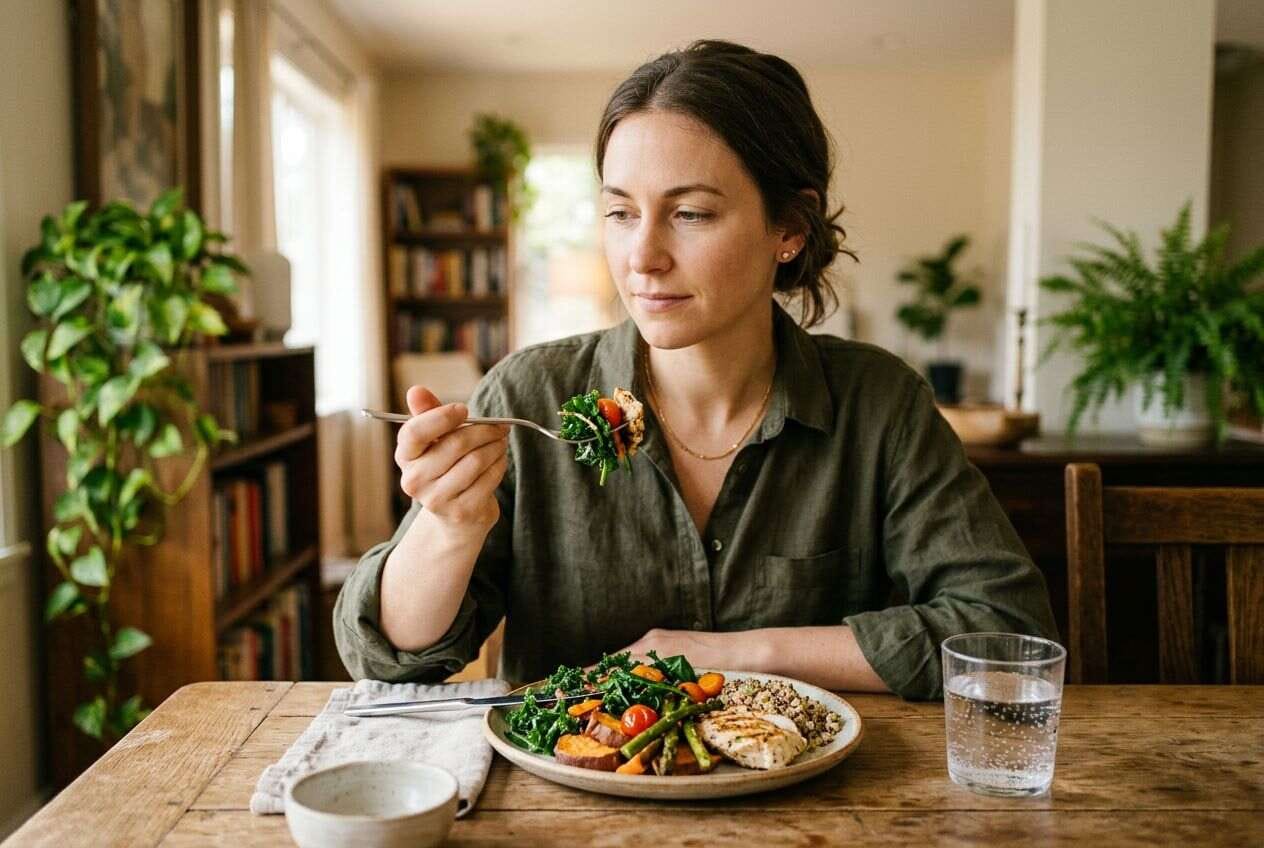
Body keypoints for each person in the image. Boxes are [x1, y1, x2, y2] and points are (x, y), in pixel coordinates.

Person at [335, 40, 1056, 700]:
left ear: (789, 227)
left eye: (691, 215)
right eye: (621, 214)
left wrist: (738, 653)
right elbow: (387, 659)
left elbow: (1004, 632)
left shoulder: (880, 404)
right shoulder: (529, 395)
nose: (642, 257)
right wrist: (450, 526)